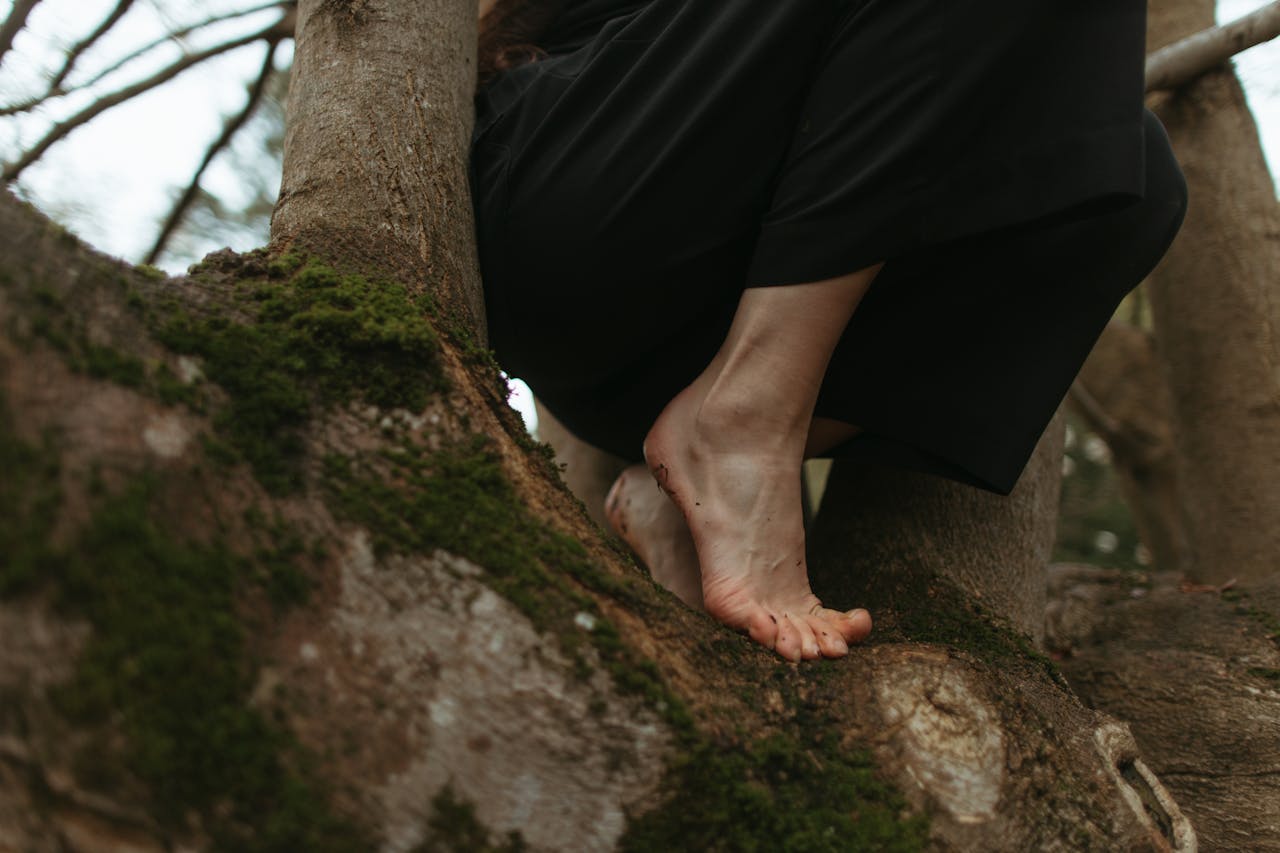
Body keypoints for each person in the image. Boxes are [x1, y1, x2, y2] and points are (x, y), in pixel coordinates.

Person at [469, 0, 1188, 662]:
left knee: (1133, 176)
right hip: (567, 166)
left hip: (677, 338)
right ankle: (744, 421)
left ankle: (705, 452)